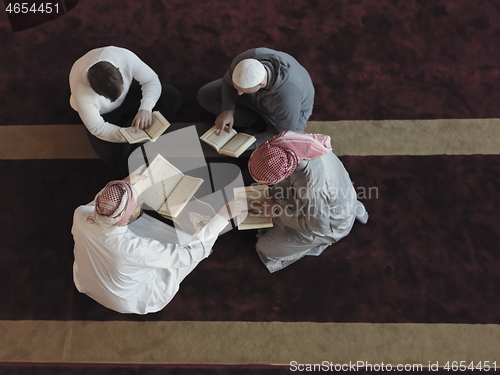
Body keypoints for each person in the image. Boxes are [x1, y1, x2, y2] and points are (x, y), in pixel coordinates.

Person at [71, 175, 244, 314]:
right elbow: (189, 254)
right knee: (191, 247)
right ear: (126, 217)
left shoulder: (80, 214)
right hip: (128, 300)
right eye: (137, 203)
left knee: (147, 228)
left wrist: (127, 183)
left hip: (85, 282)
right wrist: (223, 216)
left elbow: (98, 204)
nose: (141, 201)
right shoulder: (136, 249)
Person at [247, 131, 368, 273]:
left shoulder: (313, 190)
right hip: (333, 199)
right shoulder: (297, 143)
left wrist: (277, 210)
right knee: (269, 196)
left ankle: (307, 245)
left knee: (264, 247)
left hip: (327, 225)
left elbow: (318, 229)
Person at [69, 46, 182, 174]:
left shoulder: (123, 56)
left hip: (129, 96)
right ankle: (135, 128)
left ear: (118, 70)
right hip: (104, 114)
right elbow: (97, 128)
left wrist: (145, 108)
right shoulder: (81, 93)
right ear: (94, 90)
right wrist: (129, 135)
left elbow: (151, 80)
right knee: (112, 156)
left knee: (173, 96)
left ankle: (134, 126)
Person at [197, 47, 315, 148]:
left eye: (243, 90)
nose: (238, 93)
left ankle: (256, 126)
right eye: (237, 87)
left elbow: (282, 133)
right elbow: (227, 83)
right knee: (204, 95)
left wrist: (245, 143)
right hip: (256, 98)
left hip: (284, 111)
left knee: (285, 145)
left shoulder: (288, 98)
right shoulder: (246, 59)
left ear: (261, 84)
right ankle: (252, 120)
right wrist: (228, 109)